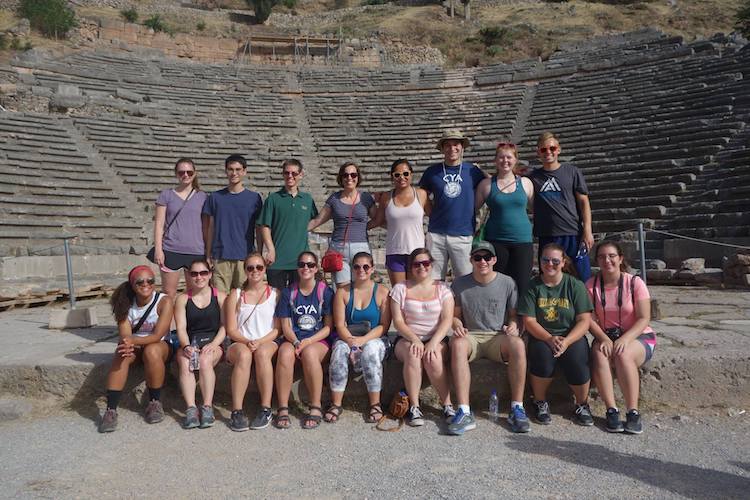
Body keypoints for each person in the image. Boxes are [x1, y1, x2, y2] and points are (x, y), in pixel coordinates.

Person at [448, 241, 529, 435]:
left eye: (486, 257)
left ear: (494, 260)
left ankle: (517, 407)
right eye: (477, 257)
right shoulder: (459, 283)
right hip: (472, 336)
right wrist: (456, 324)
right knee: (457, 345)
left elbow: (513, 315)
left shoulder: (507, 282)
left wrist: (514, 325)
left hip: (497, 336)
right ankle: (464, 410)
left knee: (518, 345)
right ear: (471, 260)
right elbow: (455, 316)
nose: (482, 261)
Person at [517, 243, 594, 426]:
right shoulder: (532, 286)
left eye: (555, 260)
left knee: (578, 358)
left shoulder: (574, 285)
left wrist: (566, 341)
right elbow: (529, 321)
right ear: (540, 261)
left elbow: (584, 320)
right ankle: (540, 401)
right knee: (542, 357)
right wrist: (549, 339)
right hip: (542, 335)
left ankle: (582, 403)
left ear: (563, 262)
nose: (550, 264)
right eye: (545, 260)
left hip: (570, 335)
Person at [587, 241, 655, 434]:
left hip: (639, 335)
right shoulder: (591, 285)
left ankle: (633, 411)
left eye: (611, 256)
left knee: (623, 354)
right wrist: (604, 338)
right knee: (600, 354)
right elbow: (589, 320)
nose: (607, 260)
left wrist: (625, 339)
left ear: (620, 258)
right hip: (606, 336)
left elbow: (644, 318)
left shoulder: (634, 283)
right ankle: (611, 410)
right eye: (601, 257)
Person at [99, 265, 175, 433]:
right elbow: (125, 334)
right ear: (132, 285)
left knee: (152, 350)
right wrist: (127, 343)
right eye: (140, 281)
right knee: (121, 354)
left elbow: (157, 335)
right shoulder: (124, 303)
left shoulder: (164, 301)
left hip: (160, 346)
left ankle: (154, 402)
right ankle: (111, 410)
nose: (146, 284)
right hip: (136, 347)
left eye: (150, 280)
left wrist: (130, 340)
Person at [390, 248, 455, 426]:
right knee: (413, 353)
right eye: (417, 264)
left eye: (425, 263)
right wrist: (415, 339)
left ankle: (447, 404)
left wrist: (433, 342)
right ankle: (414, 407)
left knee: (432, 358)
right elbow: (398, 321)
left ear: (431, 265)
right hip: (407, 338)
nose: (421, 267)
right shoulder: (400, 288)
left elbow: (447, 319)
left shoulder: (443, 289)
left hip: (437, 337)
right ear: (411, 267)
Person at [326, 252, 391, 423]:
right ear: (352, 269)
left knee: (370, 351)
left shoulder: (383, 292)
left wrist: (362, 341)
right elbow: (339, 324)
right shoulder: (343, 292)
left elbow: (384, 326)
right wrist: (352, 342)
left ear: (372, 269)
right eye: (356, 267)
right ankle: (336, 403)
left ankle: (375, 403)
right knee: (339, 351)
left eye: (365, 267)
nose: (361, 270)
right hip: (349, 336)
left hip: (374, 337)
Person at [274, 251, 334, 429]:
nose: (305, 268)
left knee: (309, 353)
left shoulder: (325, 291)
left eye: (310, 265)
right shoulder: (288, 292)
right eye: (301, 265)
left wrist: (307, 342)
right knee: (284, 354)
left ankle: (315, 406)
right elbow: (285, 325)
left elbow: (328, 327)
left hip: (317, 339)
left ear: (316, 268)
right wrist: (295, 342)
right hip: (294, 338)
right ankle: (283, 407)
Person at [419, 130, 486, 281]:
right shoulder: (432, 171)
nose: (452, 148)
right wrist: (431, 212)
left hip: (463, 233)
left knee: (466, 279)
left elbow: (491, 185)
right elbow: (421, 193)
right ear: (442, 149)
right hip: (436, 234)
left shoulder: (473, 171)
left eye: (456, 144)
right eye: (447, 145)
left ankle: (461, 306)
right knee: (434, 280)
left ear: (462, 147)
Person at [224, 252, 281, 431]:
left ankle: (265, 408)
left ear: (265, 269)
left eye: (259, 267)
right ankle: (237, 410)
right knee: (244, 355)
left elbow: (277, 329)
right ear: (245, 270)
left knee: (263, 354)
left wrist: (259, 341)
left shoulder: (275, 293)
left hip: (267, 340)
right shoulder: (236, 295)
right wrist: (249, 341)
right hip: (241, 341)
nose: (255, 271)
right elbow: (231, 329)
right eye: (250, 268)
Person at [529, 131, 594, 281]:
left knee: (582, 277)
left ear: (558, 149)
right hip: (547, 235)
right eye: (543, 149)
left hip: (572, 233)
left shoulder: (572, 172)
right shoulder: (533, 177)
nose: (548, 152)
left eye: (552, 148)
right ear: (538, 152)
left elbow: (584, 201)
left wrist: (587, 230)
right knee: (549, 278)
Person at [475, 142, 534, 298]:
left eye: (509, 157)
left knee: (522, 284)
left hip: (522, 240)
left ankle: (520, 321)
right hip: (496, 241)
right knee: (498, 284)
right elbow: (471, 209)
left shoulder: (526, 183)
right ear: (495, 160)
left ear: (515, 160)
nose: (505, 161)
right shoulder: (486, 185)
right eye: (501, 157)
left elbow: (536, 209)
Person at [174, 259, 227, 429]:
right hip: (191, 341)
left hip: (214, 341)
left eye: (203, 273)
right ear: (189, 275)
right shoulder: (182, 299)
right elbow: (181, 328)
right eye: (194, 273)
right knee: (184, 361)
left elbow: (225, 326)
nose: (199, 277)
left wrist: (215, 344)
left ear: (210, 274)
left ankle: (207, 407)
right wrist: (186, 346)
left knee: (205, 361)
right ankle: (190, 408)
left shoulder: (220, 296)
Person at [202, 154, 263, 293]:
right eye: (230, 169)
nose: (234, 173)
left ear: (244, 171)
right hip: (220, 256)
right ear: (226, 171)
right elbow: (210, 228)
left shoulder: (254, 198)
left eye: (238, 169)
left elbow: (258, 229)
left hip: (245, 256)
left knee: (243, 298)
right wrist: (208, 253)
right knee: (221, 299)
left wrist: (259, 252)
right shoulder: (215, 198)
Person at [308, 162, 376, 287]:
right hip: (339, 248)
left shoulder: (366, 198)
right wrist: (297, 230)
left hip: (361, 247)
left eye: (353, 174)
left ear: (358, 177)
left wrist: (363, 227)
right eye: (345, 175)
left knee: (360, 287)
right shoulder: (334, 198)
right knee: (342, 289)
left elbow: (377, 219)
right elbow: (318, 220)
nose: (349, 178)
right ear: (341, 178)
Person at [258, 159, 318, 290]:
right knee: (276, 301)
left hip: (301, 262)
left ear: (301, 175)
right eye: (287, 173)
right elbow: (265, 226)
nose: (290, 176)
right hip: (277, 261)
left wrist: (301, 229)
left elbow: (315, 220)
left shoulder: (307, 199)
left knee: (297, 299)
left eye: (294, 173)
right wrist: (270, 249)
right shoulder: (273, 199)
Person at [152, 158, 208, 299]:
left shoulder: (203, 197)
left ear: (194, 174)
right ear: (176, 174)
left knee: (194, 293)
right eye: (181, 172)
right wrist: (158, 249)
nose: (185, 175)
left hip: (196, 250)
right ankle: (167, 322)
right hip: (171, 249)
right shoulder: (166, 195)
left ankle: (190, 322)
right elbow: (159, 224)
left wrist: (208, 253)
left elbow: (206, 227)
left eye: (189, 172)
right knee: (169, 294)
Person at [372, 159, 430, 286]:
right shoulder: (386, 197)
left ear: (411, 174)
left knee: (415, 293)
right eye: (397, 175)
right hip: (395, 251)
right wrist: (357, 225)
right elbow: (377, 221)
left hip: (417, 252)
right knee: (399, 292)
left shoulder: (421, 194)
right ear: (392, 177)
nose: (401, 177)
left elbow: (434, 216)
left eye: (405, 174)